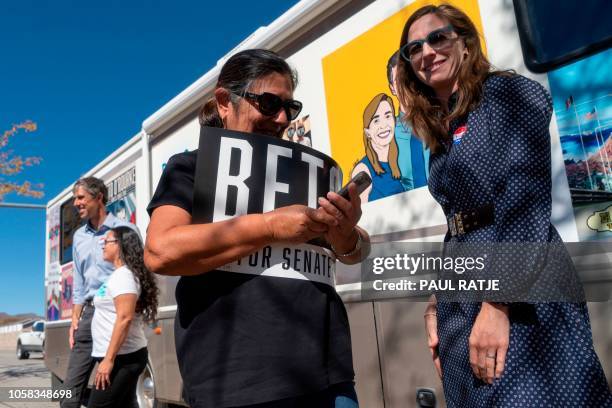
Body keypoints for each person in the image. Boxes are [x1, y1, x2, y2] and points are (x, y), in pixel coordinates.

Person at [395, 4, 612, 407]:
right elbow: (458, 223)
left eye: (437, 38)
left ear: (464, 42)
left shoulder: (507, 94)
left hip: (519, 283)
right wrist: (436, 303)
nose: (426, 52)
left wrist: (497, 304)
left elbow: (524, 200)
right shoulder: (440, 129)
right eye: (414, 49)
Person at [144, 49, 367, 408]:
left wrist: (347, 236)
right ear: (223, 102)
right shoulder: (191, 168)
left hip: (329, 374)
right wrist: (269, 227)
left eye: (289, 108)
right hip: (238, 382)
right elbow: (160, 251)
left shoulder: (305, 170)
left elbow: (356, 251)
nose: (281, 118)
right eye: (267, 103)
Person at [61, 177, 140, 408]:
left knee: (121, 392)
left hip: (116, 316)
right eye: (75, 198)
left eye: (81, 197)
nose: (76, 203)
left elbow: (138, 274)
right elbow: (78, 279)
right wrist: (75, 317)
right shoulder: (79, 237)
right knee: (69, 393)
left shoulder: (125, 231)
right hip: (89, 314)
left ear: (99, 197)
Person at [87, 226, 158, 407]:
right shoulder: (118, 275)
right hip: (120, 356)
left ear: (120, 245)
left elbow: (124, 318)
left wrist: (109, 360)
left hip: (122, 358)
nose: (103, 245)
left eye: (107, 241)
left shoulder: (124, 276)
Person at [386, 51, 429, 190]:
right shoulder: (387, 136)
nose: (406, 84)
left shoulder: (438, 121)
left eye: (409, 77)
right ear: (392, 88)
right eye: (399, 80)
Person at [351, 93, 405, 202]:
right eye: (376, 120)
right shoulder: (362, 170)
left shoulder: (403, 158)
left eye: (388, 116)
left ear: (394, 121)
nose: (383, 125)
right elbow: (361, 214)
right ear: (367, 132)